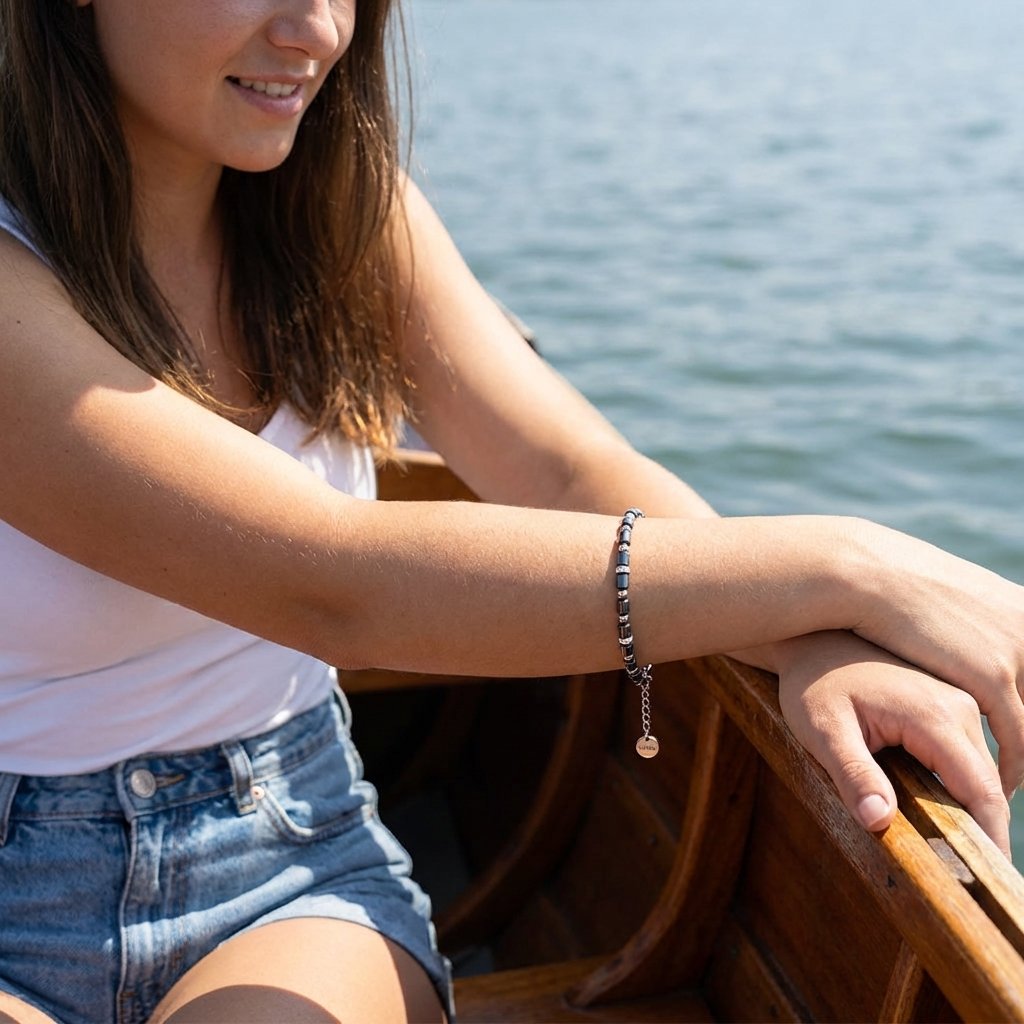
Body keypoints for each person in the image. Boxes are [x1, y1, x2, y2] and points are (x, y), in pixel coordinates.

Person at [0, 1, 1020, 1022]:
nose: (319, 31)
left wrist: (805, 640)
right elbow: (333, 583)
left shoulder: (341, 210)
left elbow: (565, 467)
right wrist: (847, 569)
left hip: (280, 859)